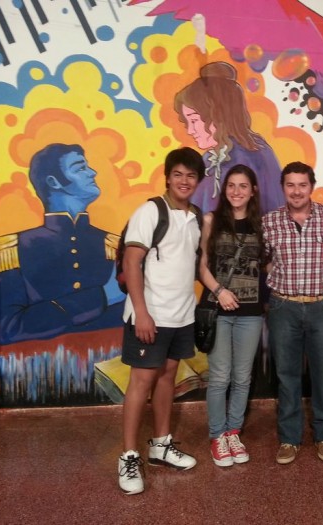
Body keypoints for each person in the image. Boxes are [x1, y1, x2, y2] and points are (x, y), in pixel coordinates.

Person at [0, 143, 125, 345]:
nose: (92, 173)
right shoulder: (9, 251)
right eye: (80, 168)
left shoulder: (113, 246)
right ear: (54, 182)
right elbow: (6, 329)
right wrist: (102, 296)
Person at [118, 147, 204, 495]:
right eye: (178, 174)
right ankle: (128, 456)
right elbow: (131, 261)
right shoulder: (151, 211)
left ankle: (161, 445)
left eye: (191, 175)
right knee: (141, 382)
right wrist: (141, 312)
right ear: (167, 177)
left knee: (168, 376)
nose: (184, 181)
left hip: (181, 315)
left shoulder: (196, 217)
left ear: (198, 181)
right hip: (150, 314)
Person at [262, 161, 323, 465]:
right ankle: (289, 438)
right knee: (287, 375)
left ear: (312, 187)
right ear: (283, 187)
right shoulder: (269, 221)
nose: (296, 191)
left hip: (322, 306)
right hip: (284, 307)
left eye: (302, 185)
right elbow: (261, 259)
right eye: (290, 185)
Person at [199, 165, 266, 467]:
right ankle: (217, 436)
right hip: (218, 310)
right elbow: (201, 266)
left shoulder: (262, 225)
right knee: (219, 377)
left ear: (253, 191)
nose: (236, 191)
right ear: (224, 189)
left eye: (243, 186)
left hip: (251, 313)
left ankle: (233, 432)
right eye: (231, 185)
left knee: (242, 377)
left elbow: (267, 265)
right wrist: (219, 290)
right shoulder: (211, 220)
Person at [174, 61, 284, 214]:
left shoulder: (254, 156)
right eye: (187, 122)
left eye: (194, 120)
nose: (190, 130)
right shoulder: (209, 159)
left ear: (218, 115)